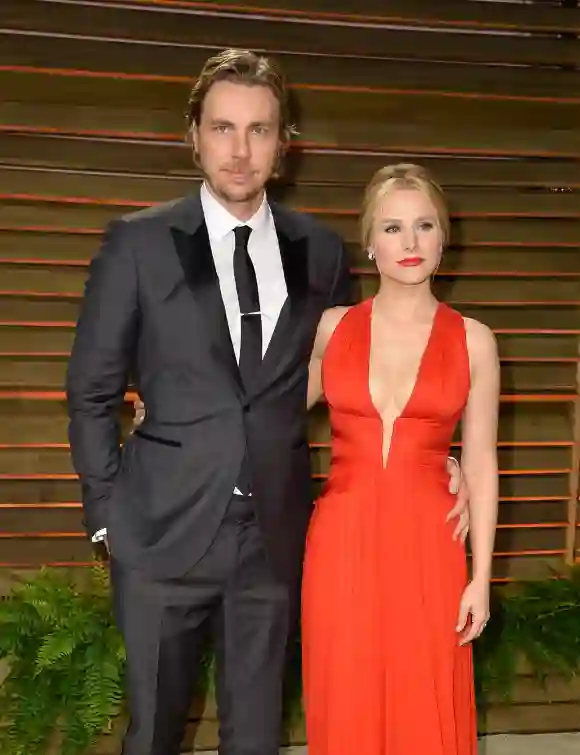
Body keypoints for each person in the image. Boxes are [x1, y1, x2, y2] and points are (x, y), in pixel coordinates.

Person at [66, 48, 468, 755]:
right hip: (160, 536)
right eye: (223, 128)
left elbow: (361, 372)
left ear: (283, 144)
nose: (240, 149)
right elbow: (90, 390)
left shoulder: (318, 249)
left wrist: (441, 454)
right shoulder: (136, 243)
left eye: (259, 130)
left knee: (256, 739)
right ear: (193, 134)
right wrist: (107, 519)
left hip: (275, 541)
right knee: (152, 733)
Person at [301, 163, 499, 755]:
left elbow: (483, 463)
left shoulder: (474, 340)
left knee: (426, 701)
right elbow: (261, 411)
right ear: (369, 241)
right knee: (346, 698)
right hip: (340, 543)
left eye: (423, 226)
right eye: (392, 228)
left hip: (430, 545)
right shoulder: (332, 329)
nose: (409, 243)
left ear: (443, 240)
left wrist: (481, 579)